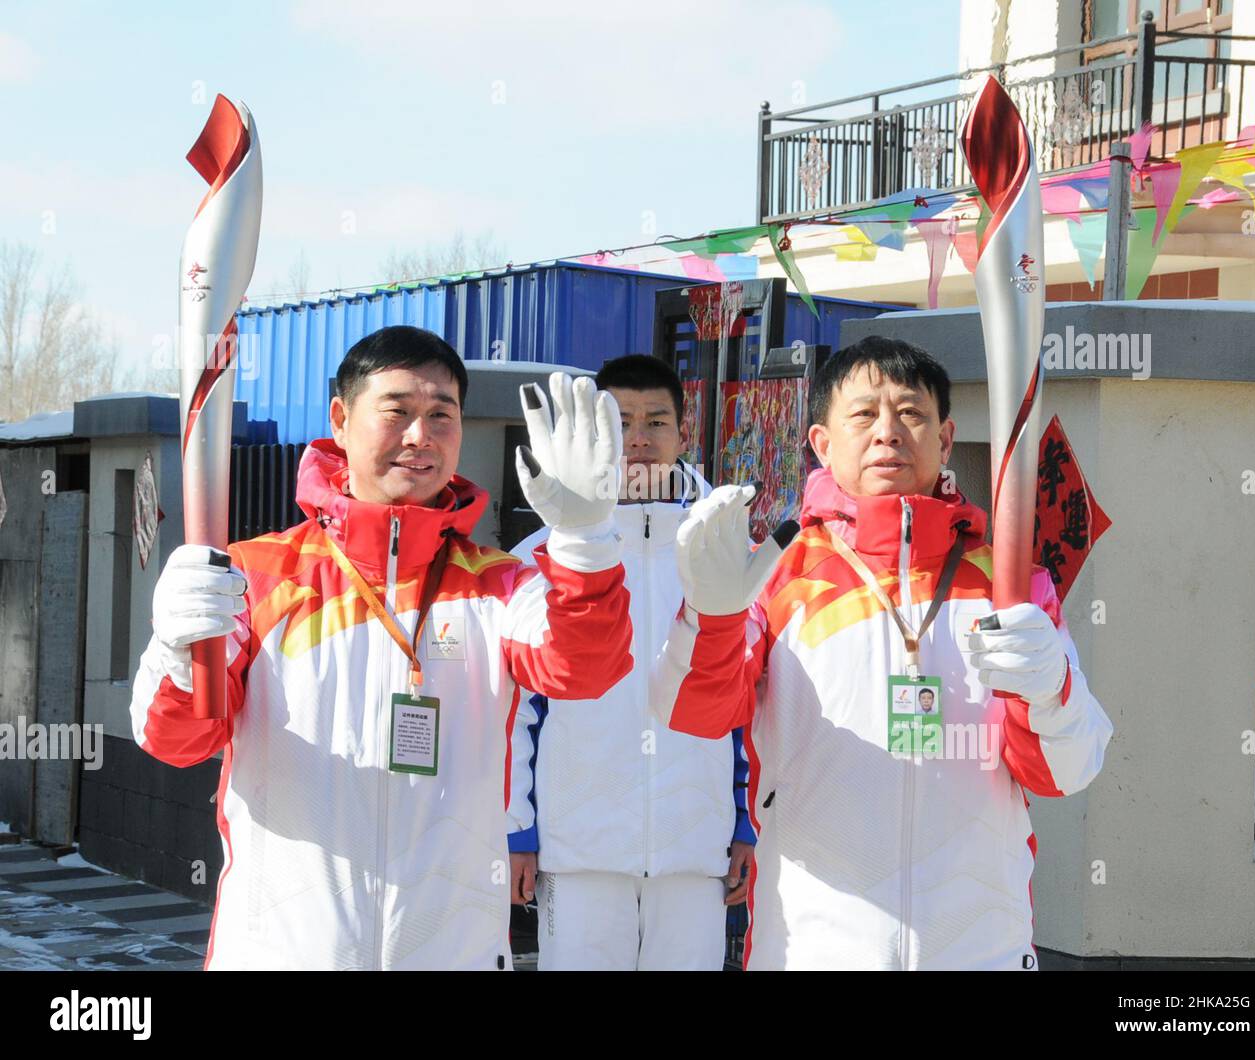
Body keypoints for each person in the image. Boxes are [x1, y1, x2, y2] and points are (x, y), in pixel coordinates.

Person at [129, 325, 632, 970]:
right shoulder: (255, 577)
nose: (420, 436)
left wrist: (586, 543)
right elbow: (177, 741)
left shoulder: (500, 585)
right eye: (396, 411)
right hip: (284, 953)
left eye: (441, 416)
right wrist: (175, 648)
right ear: (341, 420)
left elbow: (585, 668)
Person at [651, 335, 1113, 970]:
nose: (888, 433)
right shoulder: (778, 578)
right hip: (814, 950)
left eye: (912, 414)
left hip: (980, 950)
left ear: (945, 439)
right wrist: (711, 615)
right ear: (822, 442)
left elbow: (1065, 772)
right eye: (864, 414)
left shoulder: (1009, 582)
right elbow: (691, 713)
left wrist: (1051, 689)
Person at [506, 355, 755, 971]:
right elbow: (518, 709)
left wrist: (746, 823)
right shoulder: (544, 553)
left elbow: (749, 700)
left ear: (683, 431)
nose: (639, 438)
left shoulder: (726, 548)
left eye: (656, 421)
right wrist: (520, 830)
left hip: (694, 848)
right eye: (621, 421)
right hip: (579, 846)